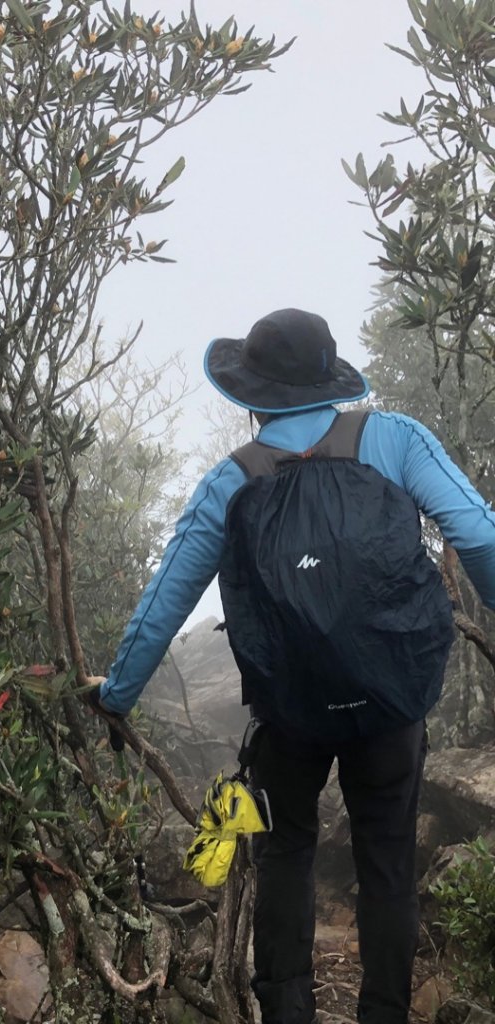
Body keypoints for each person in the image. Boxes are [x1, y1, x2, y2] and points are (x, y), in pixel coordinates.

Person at [93, 308, 495, 1024]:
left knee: (284, 856)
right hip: (390, 702)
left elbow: (165, 601)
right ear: (329, 379)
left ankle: (286, 1011)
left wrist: (116, 693)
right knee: (388, 862)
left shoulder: (233, 478)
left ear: (252, 397)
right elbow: (478, 535)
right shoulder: (394, 439)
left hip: (289, 713)